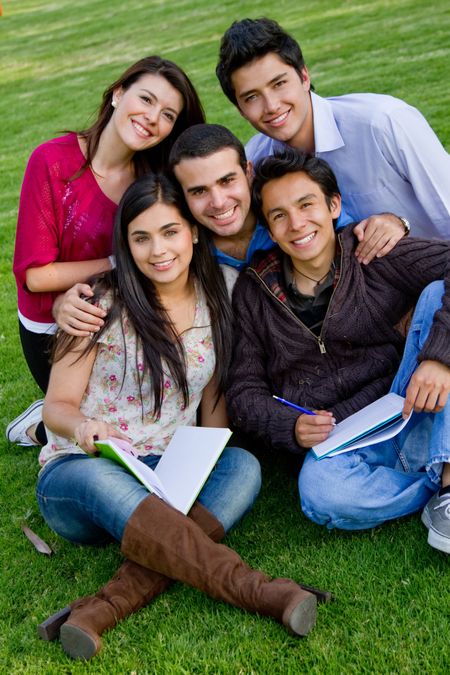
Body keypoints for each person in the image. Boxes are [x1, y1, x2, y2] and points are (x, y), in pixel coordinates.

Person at [36, 172, 330, 660]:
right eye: (141, 238)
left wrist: (206, 455)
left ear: (193, 231)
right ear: (126, 245)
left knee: (243, 468)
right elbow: (56, 408)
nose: (158, 250)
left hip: (167, 474)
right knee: (105, 484)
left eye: (170, 231)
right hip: (81, 471)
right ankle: (261, 591)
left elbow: (213, 398)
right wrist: (83, 428)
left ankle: (102, 609)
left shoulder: (225, 292)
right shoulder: (96, 302)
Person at [226, 148, 450, 554]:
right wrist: (288, 426)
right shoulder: (253, 291)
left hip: (408, 397)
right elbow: (243, 391)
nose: (297, 224)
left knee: (438, 296)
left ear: (333, 205)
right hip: (346, 434)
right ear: (270, 231)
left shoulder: (372, 252)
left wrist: (438, 358)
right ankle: (432, 485)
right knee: (320, 492)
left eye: (306, 204)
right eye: (279, 216)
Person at [8, 55, 205, 446]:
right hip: (57, 322)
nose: (152, 118)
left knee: (167, 415)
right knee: (103, 424)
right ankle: (42, 423)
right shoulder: (52, 161)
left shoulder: (153, 182)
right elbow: (36, 275)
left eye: (167, 114)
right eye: (146, 100)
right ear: (118, 93)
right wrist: (118, 263)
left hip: (125, 311)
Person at [216, 18, 450, 245]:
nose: (272, 106)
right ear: (240, 110)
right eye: (252, 97)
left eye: (279, 84)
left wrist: (403, 224)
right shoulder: (255, 163)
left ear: (304, 76)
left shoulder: (384, 123)